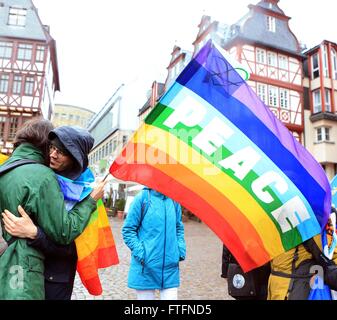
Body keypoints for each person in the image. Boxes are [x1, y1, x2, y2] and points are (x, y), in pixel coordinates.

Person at [0, 119, 105, 300]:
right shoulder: (42, 175)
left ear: (75, 159)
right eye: (52, 148)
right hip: (26, 272)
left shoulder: (88, 190)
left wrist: (34, 233)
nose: (54, 154)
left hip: (55, 275)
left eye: (62, 151)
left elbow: (77, 246)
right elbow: (63, 232)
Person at [122, 187, 186, 300]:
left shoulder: (174, 201)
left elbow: (178, 228)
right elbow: (128, 230)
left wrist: (180, 249)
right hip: (146, 268)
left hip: (169, 268)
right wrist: (142, 253)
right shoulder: (142, 198)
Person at [268, 209, 337, 300]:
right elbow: (328, 259)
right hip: (295, 289)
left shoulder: (276, 214)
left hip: (276, 288)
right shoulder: (307, 221)